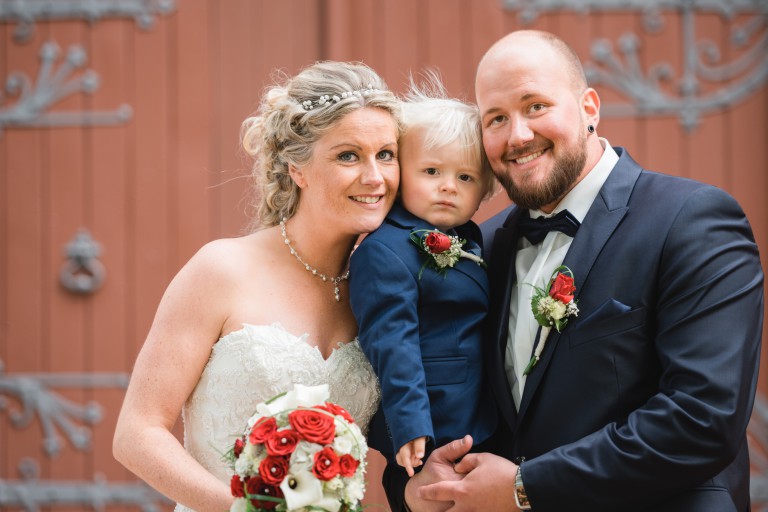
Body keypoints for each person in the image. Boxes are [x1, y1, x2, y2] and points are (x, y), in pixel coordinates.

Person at [402, 29, 764, 512]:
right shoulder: (478, 248)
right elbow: (432, 386)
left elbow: (701, 417)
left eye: (535, 106)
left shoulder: (693, 219)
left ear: (589, 108)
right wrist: (417, 490)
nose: (518, 135)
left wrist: (525, 487)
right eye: (496, 118)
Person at [112, 61, 403, 512]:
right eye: (349, 155)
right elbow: (137, 433)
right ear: (297, 169)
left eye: (386, 154)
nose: (375, 177)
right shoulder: (221, 270)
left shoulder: (383, 288)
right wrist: (241, 509)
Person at [348, 77, 498, 505]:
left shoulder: (471, 238)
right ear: (401, 175)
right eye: (431, 171)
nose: (448, 185)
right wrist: (410, 422)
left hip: (479, 416)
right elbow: (391, 339)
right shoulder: (386, 251)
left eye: (465, 177)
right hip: (433, 419)